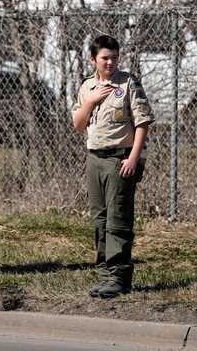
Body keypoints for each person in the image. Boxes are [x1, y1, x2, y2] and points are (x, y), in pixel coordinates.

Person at [71, 35, 154, 298]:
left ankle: (119, 277)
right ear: (93, 59)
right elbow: (78, 124)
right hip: (94, 159)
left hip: (120, 159)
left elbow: (142, 123)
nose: (110, 62)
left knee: (118, 219)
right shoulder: (87, 87)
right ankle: (105, 274)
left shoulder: (128, 83)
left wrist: (133, 158)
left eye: (114, 57)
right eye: (105, 58)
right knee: (100, 219)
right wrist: (90, 101)